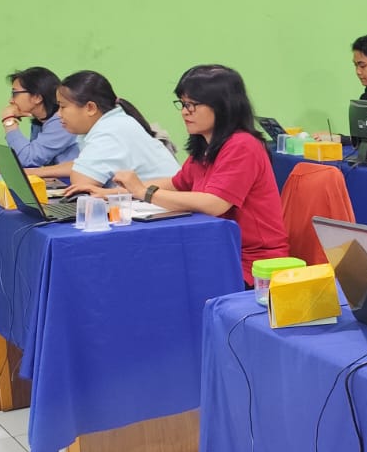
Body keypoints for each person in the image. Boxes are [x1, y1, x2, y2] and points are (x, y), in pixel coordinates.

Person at [104, 65, 289, 287]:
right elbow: (176, 183)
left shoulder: (243, 145)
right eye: (182, 104)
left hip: (252, 265)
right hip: (217, 250)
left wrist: (144, 192)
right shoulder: (206, 144)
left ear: (222, 105)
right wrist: (113, 193)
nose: (184, 112)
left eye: (191, 105)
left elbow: (214, 204)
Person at [50, 71, 179, 192]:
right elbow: (83, 165)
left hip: (164, 203)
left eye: (62, 107)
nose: (58, 114)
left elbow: (81, 183)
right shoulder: (112, 122)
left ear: (90, 108)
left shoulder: (110, 131)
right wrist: (38, 172)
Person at [0, 67, 78, 167]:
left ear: (37, 97)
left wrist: (9, 121)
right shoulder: (40, 122)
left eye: (15, 93)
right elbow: (29, 154)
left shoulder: (61, 122)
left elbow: (27, 159)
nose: (11, 100)